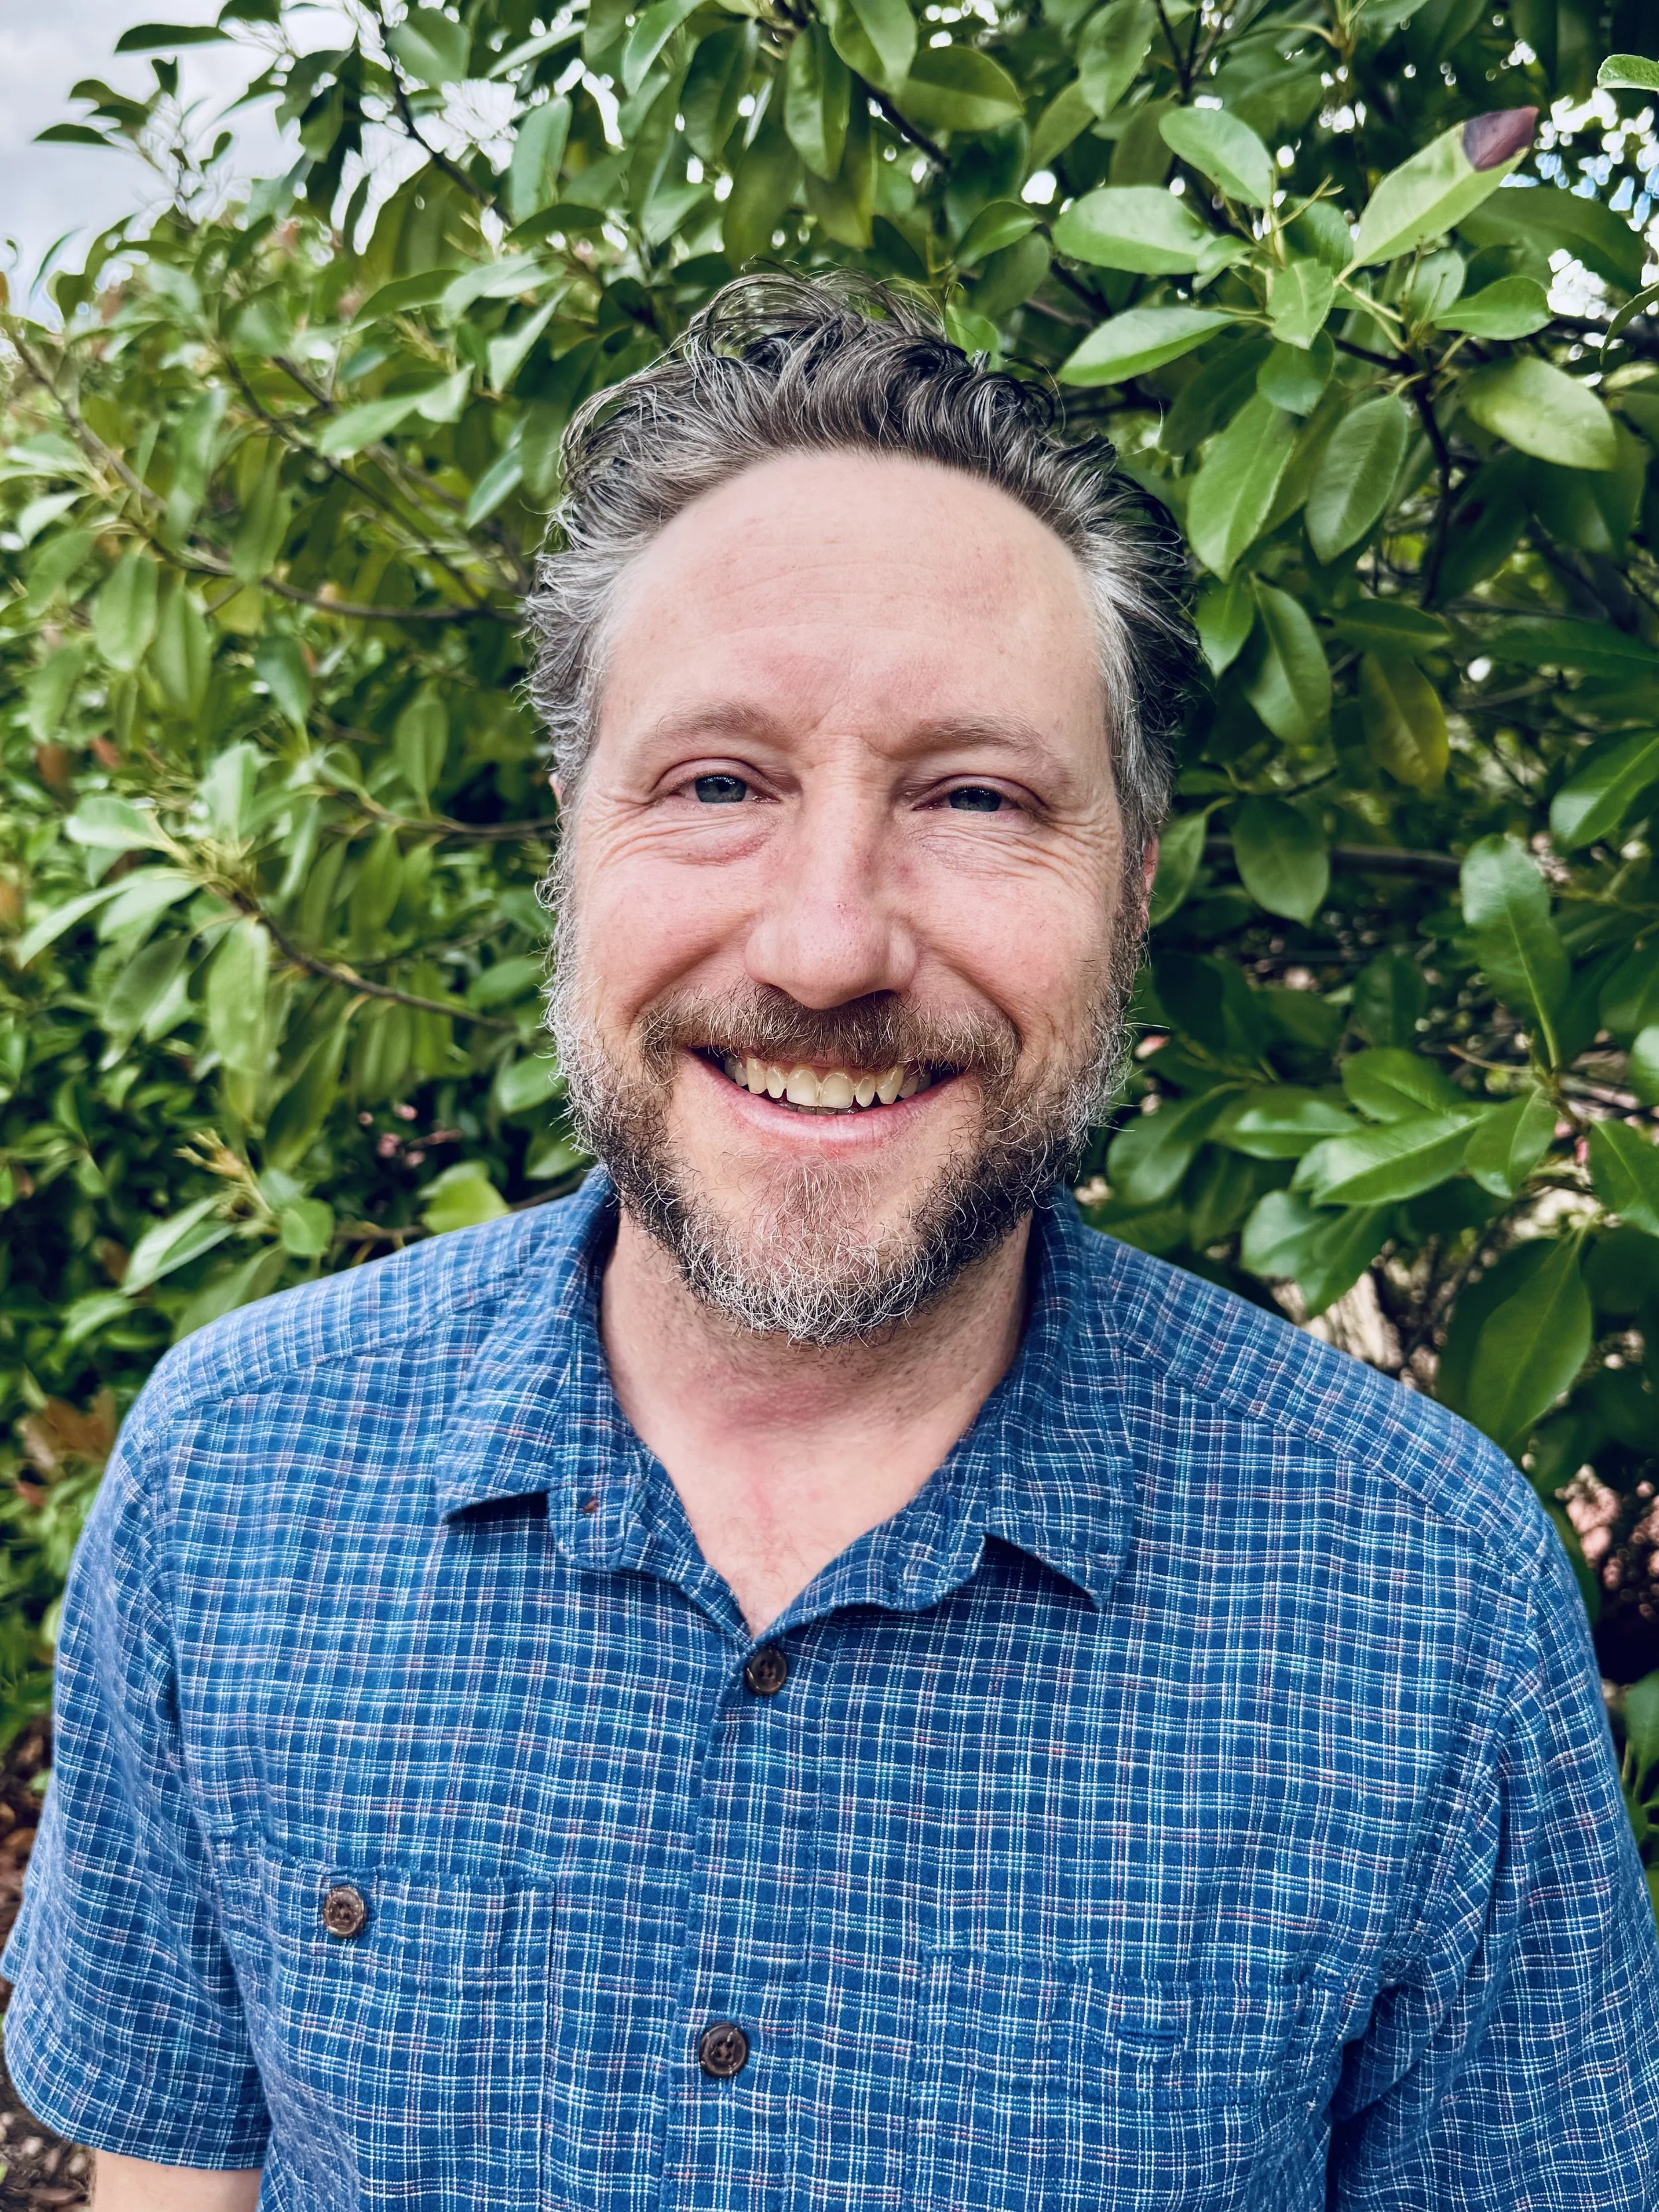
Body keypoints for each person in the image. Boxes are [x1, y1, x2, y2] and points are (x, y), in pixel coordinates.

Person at [7, 275, 1658, 2211]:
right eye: (717, 782)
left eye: (972, 795)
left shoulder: (1427, 1607)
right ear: (571, 834)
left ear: (1130, 886)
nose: (822, 944)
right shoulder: (235, 1472)